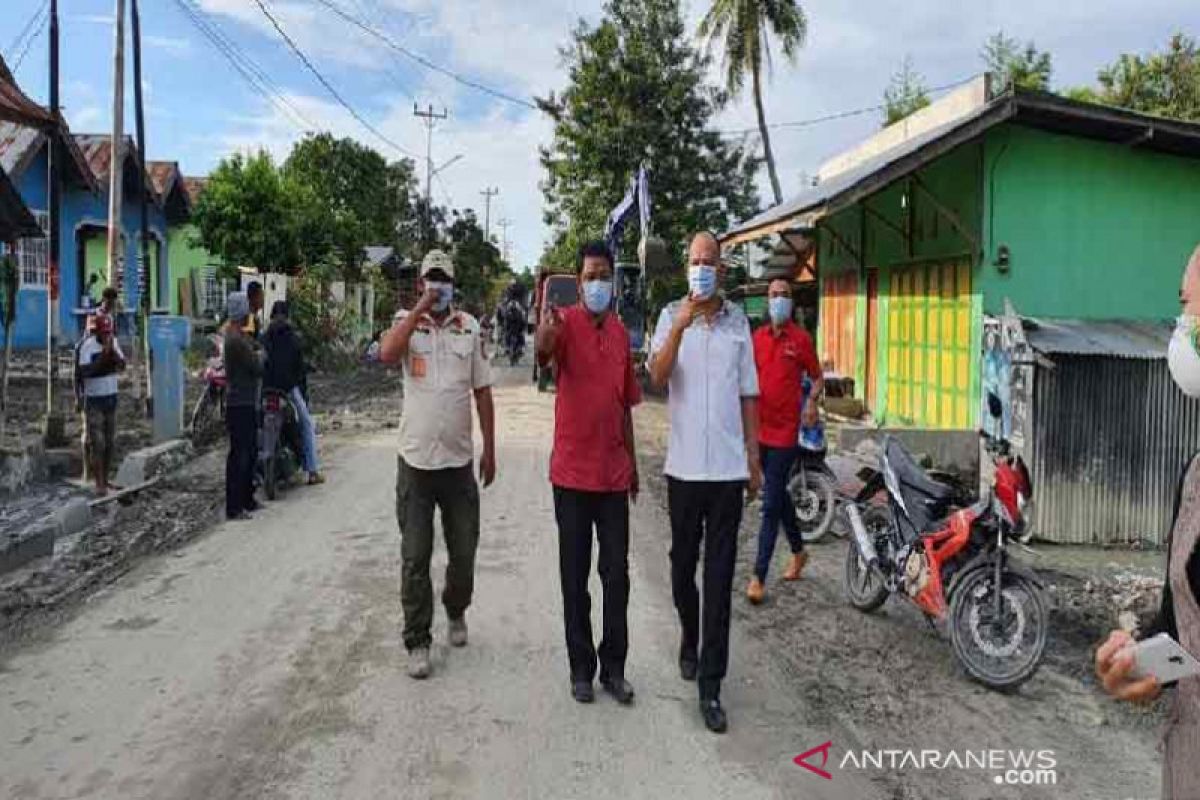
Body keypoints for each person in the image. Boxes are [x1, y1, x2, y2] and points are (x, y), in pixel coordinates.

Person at [1096, 244, 1200, 799]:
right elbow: (1181, 630)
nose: (1185, 327)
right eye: (1185, 307)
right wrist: (1141, 664)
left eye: (1191, 309)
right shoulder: (1195, 477)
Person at [648, 231, 762, 734]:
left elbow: (749, 395)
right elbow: (656, 376)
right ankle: (689, 635)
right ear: (685, 268)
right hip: (684, 470)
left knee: (718, 579)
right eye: (694, 261)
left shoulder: (740, 323)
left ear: (722, 268)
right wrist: (679, 327)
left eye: (709, 261)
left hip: (728, 474)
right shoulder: (671, 315)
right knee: (680, 569)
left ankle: (711, 685)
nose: (702, 268)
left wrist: (754, 461)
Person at [380, 249, 496, 680]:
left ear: (453, 283)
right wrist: (418, 312)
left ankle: (456, 608)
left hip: (459, 464)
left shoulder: (469, 329)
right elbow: (387, 355)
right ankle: (418, 640)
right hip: (416, 464)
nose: (437, 285)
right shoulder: (404, 323)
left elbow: (482, 392)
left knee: (463, 551)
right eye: (430, 278)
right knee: (415, 557)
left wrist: (492, 448)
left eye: (443, 279)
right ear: (420, 284)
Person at [536, 240, 641, 706]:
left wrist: (634, 465)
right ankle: (581, 668)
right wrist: (545, 331)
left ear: (613, 280)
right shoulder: (564, 325)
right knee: (574, 576)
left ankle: (614, 667)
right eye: (590, 276)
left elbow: (625, 407)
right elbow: (543, 355)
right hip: (573, 476)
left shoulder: (620, 333)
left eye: (604, 275)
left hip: (614, 476)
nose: (597, 283)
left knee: (616, 575)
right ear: (578, 283)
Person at [747, 278, 824, 604]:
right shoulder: (757, 339)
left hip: (785, 434)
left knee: (769, 505)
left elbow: (817, 377)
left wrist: (811, 402)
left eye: (785, 295)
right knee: (778, 497)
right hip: (758, 430)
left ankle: (758, 577)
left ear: (791, 302)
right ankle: (799, 550)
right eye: (774, 295)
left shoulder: (801, 340)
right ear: (768, 301)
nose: (779, 300)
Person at [263, 300, 324, 485]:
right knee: (306, 423)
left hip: (266, 391)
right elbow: (300, 371)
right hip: (287, 391)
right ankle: (313, 471)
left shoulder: (264, 337)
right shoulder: (294, 339)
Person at [223, 291, 264, 520]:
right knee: (240, 454)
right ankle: (235, 505)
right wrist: (260, 355)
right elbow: (256, 365)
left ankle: (246, 499)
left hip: (244, 400)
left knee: (248, 451)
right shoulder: (236, 340)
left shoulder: (238, 335)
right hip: (240, 403)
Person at [77, 313, 125, 496]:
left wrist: (112, 354)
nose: (106, 337)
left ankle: (106, 479)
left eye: (108, 333)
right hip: (94, 401)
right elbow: (85, 372)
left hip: (111, 398)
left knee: (110, 442)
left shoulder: (114, 343)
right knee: (98, 443)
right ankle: (98, 483)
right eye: (103, 333)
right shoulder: (86, 347)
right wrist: (102, 358)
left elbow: (122, 365)